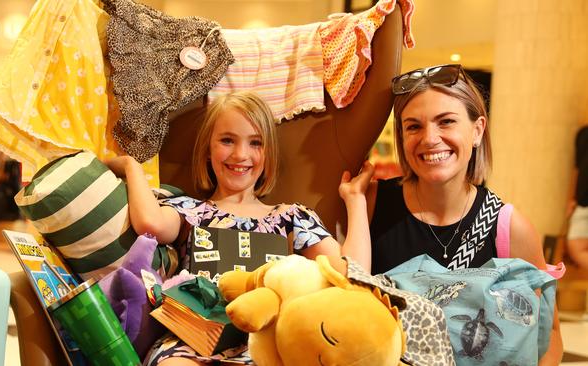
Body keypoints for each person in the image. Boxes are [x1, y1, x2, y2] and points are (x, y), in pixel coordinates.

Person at [104, 91, 372, 365]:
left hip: (263, 345)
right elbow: (150, 223)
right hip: (194, 342)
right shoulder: (190, 210)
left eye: (255, 143)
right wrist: (131, 166)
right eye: (227, 140)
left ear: (268, 154)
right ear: (208, 150)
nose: (241, 154)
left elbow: (352, 274)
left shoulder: (291, 218)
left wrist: (355, 200)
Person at [365, 64, 562, 364]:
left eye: (446, 122)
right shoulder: (371, 204)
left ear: (477, 130)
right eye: (414, 126)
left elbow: (549, 336)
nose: (430, 138)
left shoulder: (508, 227)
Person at [566, 125, 588, 269]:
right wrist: (571, 198)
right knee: (575, 245)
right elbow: (577, 170)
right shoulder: (583, 134)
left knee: (575, 246)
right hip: (583, 200)